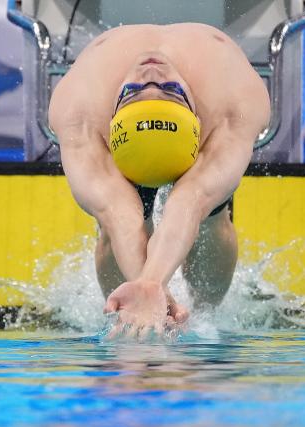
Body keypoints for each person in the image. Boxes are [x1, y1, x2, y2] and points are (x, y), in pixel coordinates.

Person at [49, 22, 270, 335]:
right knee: (114, 232)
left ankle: (206, 316)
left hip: (207, 133)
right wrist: (149, 289)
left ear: (197, 118)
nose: (151, 76)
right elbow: (120, 215)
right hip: (125, 145)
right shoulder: (80, 114)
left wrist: (151, 282)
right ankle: (123, 315)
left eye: (170, 92)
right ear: (111, 123)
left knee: (210, 218)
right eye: (135, 92)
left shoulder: (233, 106)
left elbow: (191, 202)